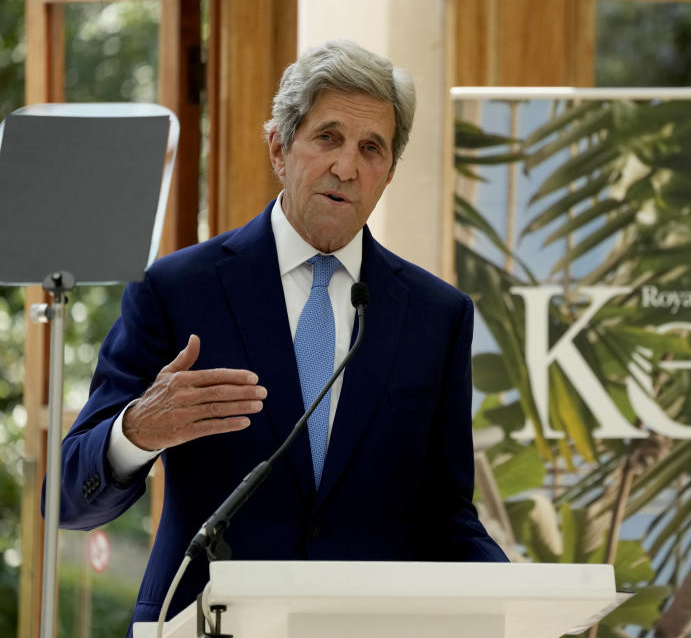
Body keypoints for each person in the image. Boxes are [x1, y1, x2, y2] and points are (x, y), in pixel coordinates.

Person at [54, 39, 508, 630]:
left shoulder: (435, 314)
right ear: (279, 146)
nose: (347, 166)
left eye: (371, 149)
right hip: (204, 622)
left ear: (388, 173)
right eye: (328, 137)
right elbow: (66, 495)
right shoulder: (177, 289)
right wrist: (136, 431)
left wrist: (522, 597)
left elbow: (448, 517)